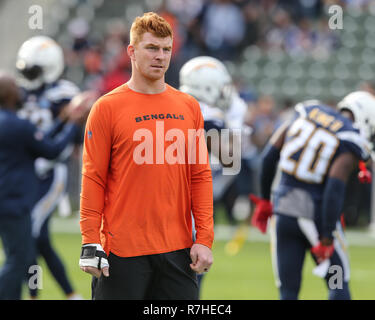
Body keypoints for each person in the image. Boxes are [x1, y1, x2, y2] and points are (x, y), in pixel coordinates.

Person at [79, 12, 214, 300]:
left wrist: (204, 238)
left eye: (166, 49)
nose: (160, 57)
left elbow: (200, 177)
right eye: (152, 48)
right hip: (122, 252)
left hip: (178, 251)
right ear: (132, 51)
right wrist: (90, 240)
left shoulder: (189, 106)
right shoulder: (107, 108)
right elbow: (93, 179)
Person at [250, 93, 375, 300]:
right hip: (316, 217)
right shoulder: (349, 137)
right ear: (365, 119)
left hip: (283, 214)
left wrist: (265, 201)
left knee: (288, 291)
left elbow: (269, 157)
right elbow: (334, 188)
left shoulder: (308, 111)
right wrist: (326, 237)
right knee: (337, 283)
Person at [16, 35, 86, 300]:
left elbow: (75, 136)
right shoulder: (20, 93)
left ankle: (32, 294)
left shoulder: (64, 94)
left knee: (30, 229)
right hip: (25, 172)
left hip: (50, 172)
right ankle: (70, 294)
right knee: (41, 239)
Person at [0, 73, 81, 300]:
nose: (21, 91)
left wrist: (62, 121)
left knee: (21, 252)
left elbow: (39, 138)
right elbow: (51, 149)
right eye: (15, 87)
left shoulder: (13, 125)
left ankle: (35, 294)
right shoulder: (18, 125)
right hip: (14, 202)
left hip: (6, 200)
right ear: (8, 94)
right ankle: (56, 294)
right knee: (18, 258)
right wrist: (72, 124)